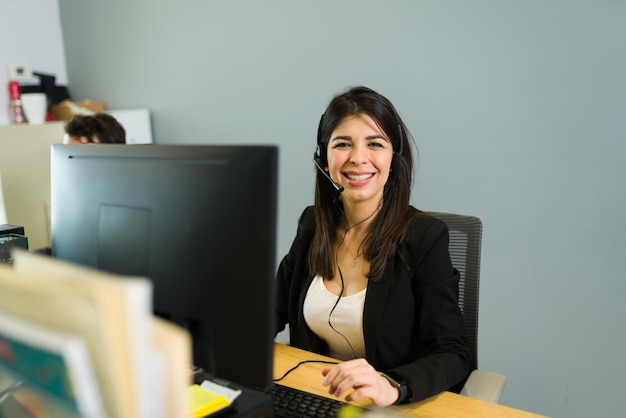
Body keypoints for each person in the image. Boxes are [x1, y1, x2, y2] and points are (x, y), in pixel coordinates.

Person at [274, 86, 469, 407]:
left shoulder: (424, 237)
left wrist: (391, 386)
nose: (358, 158)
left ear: (394, 155)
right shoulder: (313, 225)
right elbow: (271, 311)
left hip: (386, 407)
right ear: (324, 156)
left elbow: (453, 353)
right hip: (314, 396)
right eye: (343, 144)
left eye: (375, 144)